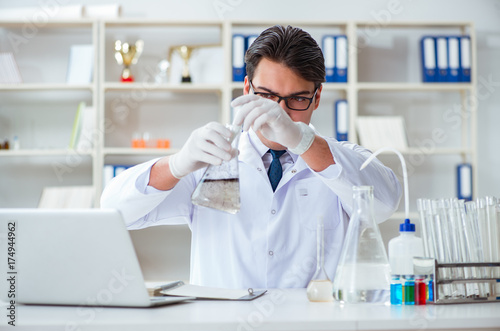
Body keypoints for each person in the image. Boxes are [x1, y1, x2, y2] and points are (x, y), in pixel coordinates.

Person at [101, 25, 402, 289]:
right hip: (223, 326)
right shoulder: (210, 160)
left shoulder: (341, 160)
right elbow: (114, 211)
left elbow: (384, 203)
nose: (278, 112)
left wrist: (303, 141)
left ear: (317, 98)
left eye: (297, 99)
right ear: (247, 88)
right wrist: (177, 164)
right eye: (267, 96)